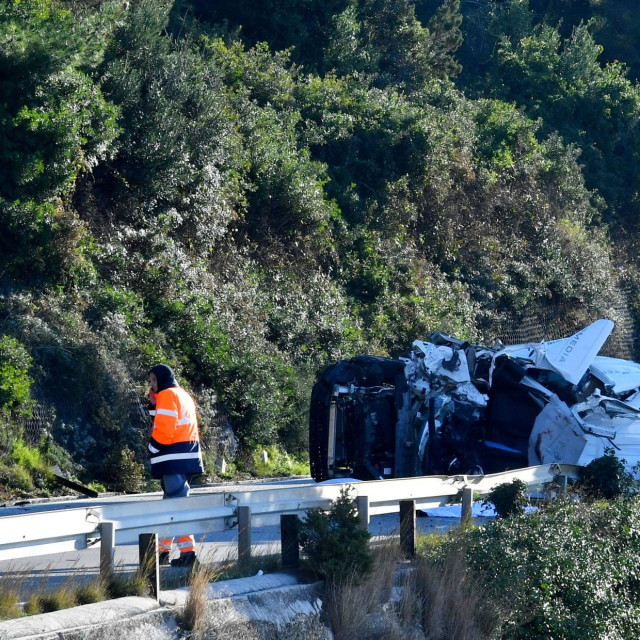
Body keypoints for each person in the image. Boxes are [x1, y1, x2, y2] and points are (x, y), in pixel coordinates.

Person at [148, 364, 204, 566]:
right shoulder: (182, 394)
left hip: (172, 459)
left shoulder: (167, 395)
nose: (152, 385)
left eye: (154, 380)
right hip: (186, 457)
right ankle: (162, 552)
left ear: (162, 379)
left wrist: (151, 449)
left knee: (176, 508)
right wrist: (154, 406)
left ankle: (188, 554)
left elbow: (164, 430)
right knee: (171, 505)